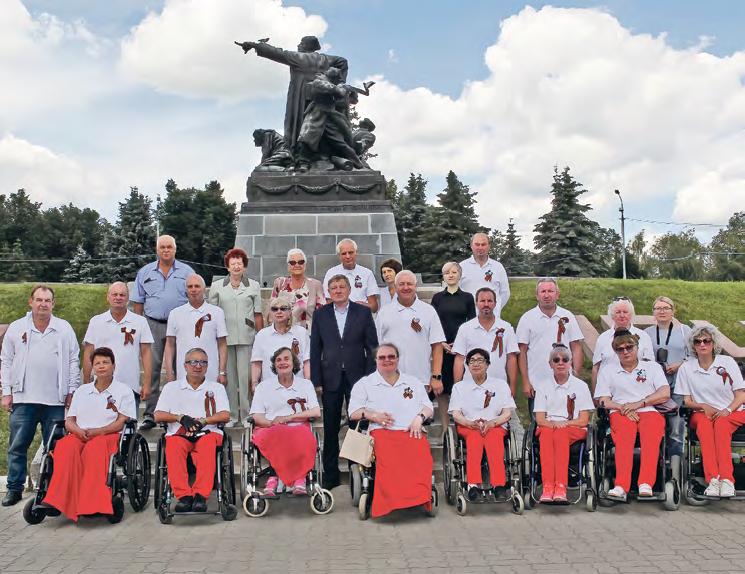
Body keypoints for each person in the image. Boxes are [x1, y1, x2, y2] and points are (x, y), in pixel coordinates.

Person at [1, 285, 80, 507]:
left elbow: (74, 360)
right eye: (39, 300)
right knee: (17, 446)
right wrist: (6, 392)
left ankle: (51, 491)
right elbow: (6, 361)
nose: (43, 304)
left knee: (54, 448)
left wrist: (71, 391)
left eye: (47, 300)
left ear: (53, 304)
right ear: (31, 302)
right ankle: (14, 488)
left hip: (54, 400)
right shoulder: (17, 328)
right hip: (23, 398)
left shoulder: (63, 329)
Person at [43, 347, 136, 521]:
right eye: (97, 363)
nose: (101, 366)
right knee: (65, 446)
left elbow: (122, 420)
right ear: (92, 367)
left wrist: (99, 432)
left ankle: (91, 503)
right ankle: (59, 500)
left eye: (105, 362)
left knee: (94, 448)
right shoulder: (82, 391)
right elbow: (69, 420)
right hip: (81, 434)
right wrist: (77, 431)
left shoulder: (123, 391)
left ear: (113, 366)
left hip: (109, 434)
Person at [348, 343, 435, 518]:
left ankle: (418, 497)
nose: (387, 360)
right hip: (381, 431)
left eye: (391, 356)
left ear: (398, 359)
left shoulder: (412, 382)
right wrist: (374, 416)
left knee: (420, 452)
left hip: (410, 430)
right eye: (382, 357)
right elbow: (353, 412)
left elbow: (428, 406)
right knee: (388, 458)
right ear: (376, 361)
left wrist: (420, 418)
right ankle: (390, 501)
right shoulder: (365, 384)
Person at [310, 274, 378, 490]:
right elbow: (315, 349)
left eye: (341, 287)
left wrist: (369, 378)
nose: (338, 290)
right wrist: (316, 379)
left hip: (357, 378)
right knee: (330, 428)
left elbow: (372, 347)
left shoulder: (363, 312)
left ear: (349, 290)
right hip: (330, 378)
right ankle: (331, 475)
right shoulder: (321, 315)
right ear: (329, 292)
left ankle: (356, 471)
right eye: (334, 288)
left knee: (356, 426)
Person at [238, 36, 348, 155]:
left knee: (302, 125)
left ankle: (300, 154)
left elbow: (277, 53)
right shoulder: (327, 59)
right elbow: (342, 61)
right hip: (324, 96)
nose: (298, 45)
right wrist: (338, 81)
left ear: (307, 46)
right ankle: (321, 155)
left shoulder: (299, 57)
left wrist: (254, 45)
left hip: (303, 96)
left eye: (301, 43)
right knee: (323, 126)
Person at [594, 329, 670, 501]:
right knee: (624, 437)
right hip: (620, 411)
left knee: (651, 435)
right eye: (620, 349)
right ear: (615, 352)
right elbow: (603, 400)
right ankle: (621, 485)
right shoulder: (608, 370)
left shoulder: (652, 367)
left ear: (637, 347)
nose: (625, 351)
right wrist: (622, 407)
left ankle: (646, 482)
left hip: (648, 409)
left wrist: (639, 404)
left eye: (629, 347)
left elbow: (664, 392)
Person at [154, 348, 230, 513]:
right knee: (173, 445)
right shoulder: (171, 388)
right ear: (185, 366)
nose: (198, 366)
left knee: (207, 445)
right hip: (179, 433)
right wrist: (179, 417)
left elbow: (225, 414)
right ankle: (184, 496)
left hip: (208, 432)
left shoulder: (216, 388)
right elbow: (158, 415)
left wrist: (205, 421)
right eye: (193, 362)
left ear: (207, 366)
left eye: (203, 362)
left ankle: (200, 496)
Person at [131, 234, 195, 430]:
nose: (166, 250)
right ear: (157, 250)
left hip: (180, 325)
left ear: (175, 250)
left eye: (169, 247)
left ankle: (180, 413)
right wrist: (139, 326)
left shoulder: (186, 271)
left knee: (180, 368)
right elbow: (138, 301)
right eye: (162, 247)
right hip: (153, 324)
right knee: (153, 370)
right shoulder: (145, 272)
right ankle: (150, 414)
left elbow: (195, 295)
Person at [676, 324, 745, 498]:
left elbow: (740, 396)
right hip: (702, 412)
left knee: (721, 424)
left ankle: (727, 480)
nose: (702, 344)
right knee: (705, 427)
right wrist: (704, 406)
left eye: (706, 340)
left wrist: (727, 410)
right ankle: (713, 480)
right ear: (693, 345)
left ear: (713, 343)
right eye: (698, 341)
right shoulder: (686, 368)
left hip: (732, 410)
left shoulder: (727, 363)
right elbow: (687, 401)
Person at [250, 348, 321, 496]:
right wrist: (272, 423)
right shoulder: (263, 387)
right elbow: (257, 416)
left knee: (300, 434)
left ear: (293, 363)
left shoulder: (305, 385)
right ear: (274, 365)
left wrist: (288, 418)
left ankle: (297, 478)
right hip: (270, 428)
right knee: (277, 433)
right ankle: (275, 476)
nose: (282, 363)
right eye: (278, 360)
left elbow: (315, 412)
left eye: (286, 359)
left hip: (298, 427)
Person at [449, 348, 515, 501]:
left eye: (480, 360)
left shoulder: (500, 385)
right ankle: (473, 485)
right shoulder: (459, 387)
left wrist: (492, 423)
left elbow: (506, 413)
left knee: (494, 440)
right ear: (467, 365)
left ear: (487, 364)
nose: (476, 364)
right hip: (469, 426)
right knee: (474, 440)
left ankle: (499, 485)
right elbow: (456, 414)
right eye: (472, 361)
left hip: (495, 425)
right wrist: (469, 423)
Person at [208, 248, 264, 425]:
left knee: (245, 377)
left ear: (244, 266)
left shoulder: (253, 286)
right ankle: (232, 415)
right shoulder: (217, 287)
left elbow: (257, 313)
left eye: (240, 263)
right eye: (233, 263)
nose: (236, 267)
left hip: (246, 337)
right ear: (227, 266)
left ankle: (247, 415)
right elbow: (212, 313)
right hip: (225, 337)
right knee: (229, 379)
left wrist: (260, 336)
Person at [533, 344, 595, 503]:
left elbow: (583, 420)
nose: (560, 362)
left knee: (559, 434)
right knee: (547, 434)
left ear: (570, 363)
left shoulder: (580, 386)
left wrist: (564, 424)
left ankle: (560, 485)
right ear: (550, 364)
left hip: (574, 428)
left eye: (564, 359)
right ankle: (547, 486)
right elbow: (540, 419)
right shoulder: (543, 387)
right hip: (549, 427)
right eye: (556, 359)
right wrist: (554, 425)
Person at [83, 282, 154, 413]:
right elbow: (89, 352)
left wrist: (147, 383)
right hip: (101, 387)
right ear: (108, 297)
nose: (118, 298)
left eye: (122, 295)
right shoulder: (96, 321)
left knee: (128, 430)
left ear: (127, 298)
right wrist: (86, 381)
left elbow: (146, 353)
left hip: (130, 386)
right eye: (114, 294)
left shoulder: (139, 322)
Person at [516, 278, 583, 415]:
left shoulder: (567, 316)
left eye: (551, 291)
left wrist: (576, 374)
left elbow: (576, 347)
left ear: (557, 294)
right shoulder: (527, 318)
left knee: (566, 422)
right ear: (537, 295)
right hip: (537, 384)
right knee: (539, 427)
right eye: (543, 291)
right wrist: (525, 380)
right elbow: (521, 352)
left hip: (565, 382)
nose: (547, 295)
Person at [375, 270, 446, 395]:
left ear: (416, 286)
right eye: (401, 284)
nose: (406, 288)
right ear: (395, 287)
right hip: (389, 379)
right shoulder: (384, 313)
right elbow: (377, 347)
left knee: (420, 415)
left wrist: (436, 376)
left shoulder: (428, 311)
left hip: (420, 379)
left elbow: (437, 345)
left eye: (409, 284)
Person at [431, 261, 476, 434]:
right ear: (443, 277)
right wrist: (440, 342)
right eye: (447, 272)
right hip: (442, 348)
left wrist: (459, 345)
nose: (450, 275)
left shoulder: (467, 297)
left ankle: (461, 428)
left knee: (460, 389)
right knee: (442, 391)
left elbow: (471, 323)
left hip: (461, 350)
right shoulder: (437, 298)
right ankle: (444, 429)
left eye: (454, 272)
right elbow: (433, 323)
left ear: (460, 275)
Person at [645, 296, 691, 459]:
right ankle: (656, 459)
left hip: (678, 382)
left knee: (677, 423)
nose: (662, 311)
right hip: (655, 386)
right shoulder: (647, 333)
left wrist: (680, 364)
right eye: (658, 308)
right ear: (654, 312)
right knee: (655, 422)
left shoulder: (685, 331)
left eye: (666, 308)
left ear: (673, 311)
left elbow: (694, 357)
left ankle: (675, 459)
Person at [164, 274, 228, 387]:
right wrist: (169, 373)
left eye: (197, 286)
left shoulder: (217, 313)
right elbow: (170, 345)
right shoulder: (175, 314)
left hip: (210, 372)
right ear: (186, 290)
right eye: (190, 287)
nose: (193, 290)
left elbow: (222, 345)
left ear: (204, 289)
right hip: (184, 373)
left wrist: (222, 372)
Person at [452, 288, 519, 394]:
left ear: (495, 304)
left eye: (490, 301)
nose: (486, 304)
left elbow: (511, 358)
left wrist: (513, 386)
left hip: (499, 387)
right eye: (482, 301)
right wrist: (457, 387)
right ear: (476, 304)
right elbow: (459, 359)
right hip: (470, 387)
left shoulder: (506, 328)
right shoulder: (465, 328)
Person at [591, 297, 654, 392]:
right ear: (612, 315)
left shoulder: (643, 336)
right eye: (618, 312)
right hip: (608, 389)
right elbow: (596, 367)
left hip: (638, 389)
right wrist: (596, 394)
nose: (622, 315)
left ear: (631, 314)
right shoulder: (603, 338)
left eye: (625, 312)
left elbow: (651, 365)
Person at [251, 296, 311, 389]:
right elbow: (257, 362)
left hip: (297, 387)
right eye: (274, 309)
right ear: (270, 313)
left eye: (283, 309)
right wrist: (255, 383)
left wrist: (307, 383)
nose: (279, 312)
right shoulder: (262, 335)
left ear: (290, 312)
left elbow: (307, 361)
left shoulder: (301, 333)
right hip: (269, 387)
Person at [271, 248, 325, 330]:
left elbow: (323, 314)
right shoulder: (280, 283)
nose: (297, 265)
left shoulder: (315, 285)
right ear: (288, 266)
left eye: (301, 262)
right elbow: (272, 312)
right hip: (283, 334)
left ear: (305, 265)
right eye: (293, 262)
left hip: (308, 336)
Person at [322, 238, 379, 312]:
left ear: (356, 252)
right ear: (339, 255)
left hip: (361, 316)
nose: (348, 256)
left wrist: (360, 306)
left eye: (351, 252)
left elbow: (374, 307)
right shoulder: (331, 273)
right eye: (344, 253)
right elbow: (328, 303)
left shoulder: (367, 273)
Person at [459, 232, 510, 314]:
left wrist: (495, 308)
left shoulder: (498, 267)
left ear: (489, 246)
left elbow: (505, 293)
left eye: (483, 244)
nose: (480, 247)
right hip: (468, 318)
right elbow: (457, 293)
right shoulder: (461, 267)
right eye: (477, 244)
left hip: (492, 318)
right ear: (471, 246)